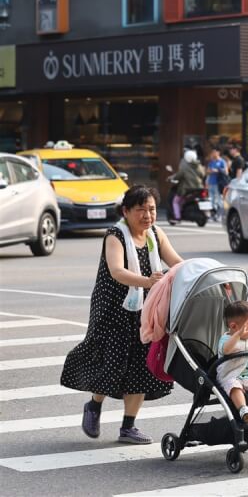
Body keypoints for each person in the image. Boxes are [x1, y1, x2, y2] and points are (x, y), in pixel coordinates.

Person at [61, 185, 184, 444]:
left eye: (151, 209)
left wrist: (201, 274)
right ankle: (94, 404)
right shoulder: (115, 235)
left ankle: (128, 427)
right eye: (141, 210)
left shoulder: (156, 234)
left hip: (146, 310)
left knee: (142, 364)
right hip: (112, 308)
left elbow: (176, 262)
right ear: (126, 211)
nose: (147, 215)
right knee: (112, 361)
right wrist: (147, 281)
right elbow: (117, 271)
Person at [172, 149, 205, 221]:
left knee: (176, 201)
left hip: (187, 189)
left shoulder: (185, 167)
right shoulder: (199, 165)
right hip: (199, 188)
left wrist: (171, 178)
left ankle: (177, 217)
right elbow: (202, 175)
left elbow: (178, 176)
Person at [206, 146, 228, 222]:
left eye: (214, 152)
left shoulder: (222, 161)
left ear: (218, 153)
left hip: (218, 183)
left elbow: (226, 172)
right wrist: (210, 171)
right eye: (212, 152)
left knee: (219, 200)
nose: (213, 154)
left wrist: (217, 170)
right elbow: (208, 171)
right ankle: (213, 215)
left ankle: (220, 215)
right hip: (211, 183)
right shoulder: (211, 162)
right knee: (211, 200)